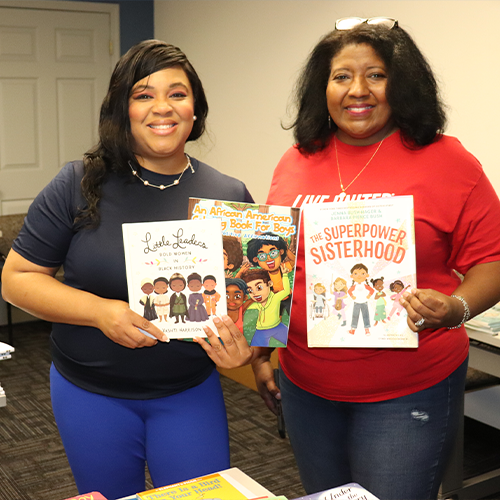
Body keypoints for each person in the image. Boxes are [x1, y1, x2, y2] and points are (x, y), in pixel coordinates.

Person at [251, 18, 500, 500]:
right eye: (341, 76)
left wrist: (455, 309)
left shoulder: (450, 162)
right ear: (322, 87)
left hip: (408, 390)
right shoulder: (295, 161)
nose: (357, 90)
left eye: (377, 75)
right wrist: (261, 349)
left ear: (402, 83)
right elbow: (275, 265)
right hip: (305, 384)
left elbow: (492, 261)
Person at [1, 40, 255, 500]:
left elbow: (249, 307)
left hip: (188, 391)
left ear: (195, 109)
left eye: (177, 94)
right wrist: (100, 312)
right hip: (90, 392)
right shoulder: (78, 182)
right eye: (143, 94)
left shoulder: (229, 194)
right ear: (123, 109)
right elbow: (17, 281)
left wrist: (246, 355)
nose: (162, 107)